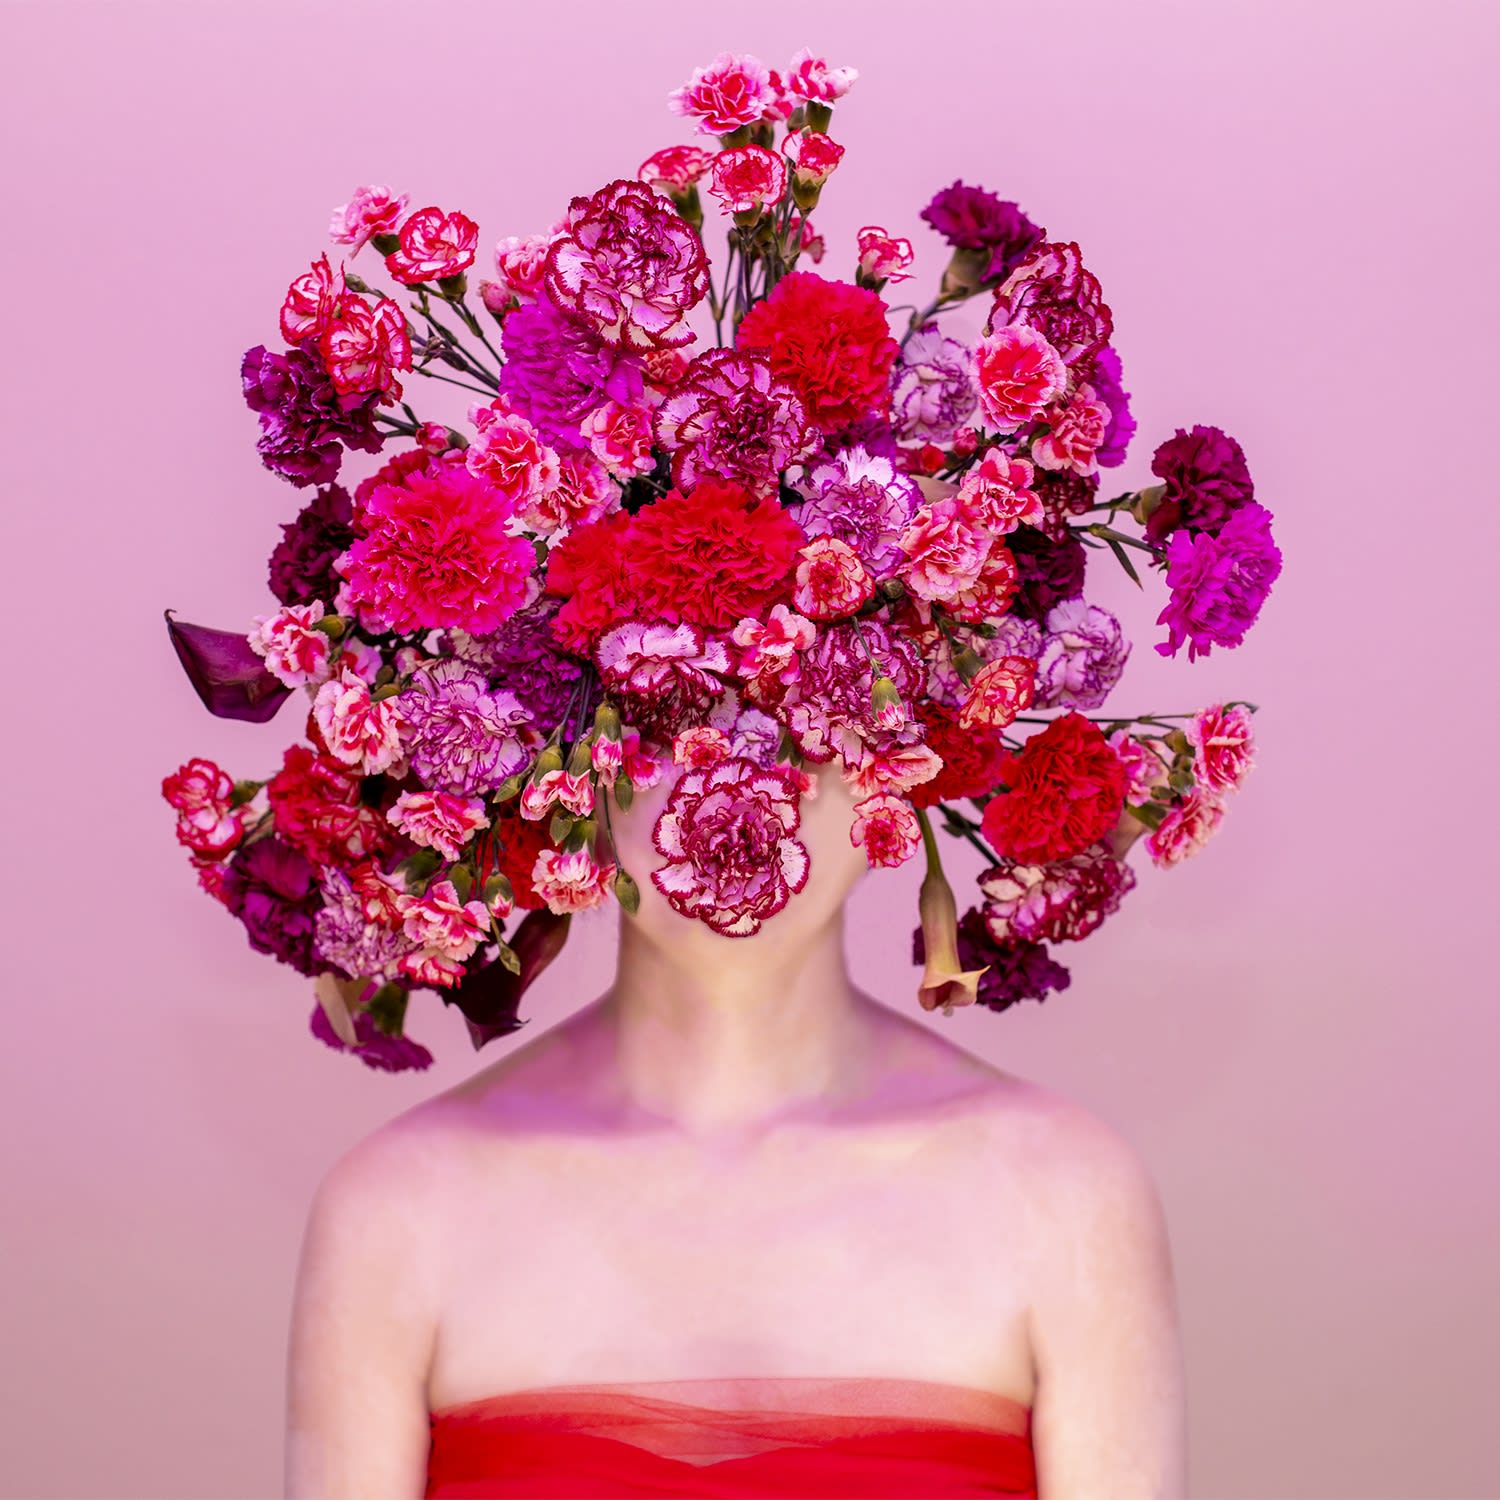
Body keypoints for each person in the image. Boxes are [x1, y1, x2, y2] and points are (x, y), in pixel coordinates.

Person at [284, 754, 1188, 1498]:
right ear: (559, 765)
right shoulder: (400, 1211)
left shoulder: (1061, 1198)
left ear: (907, 751)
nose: (735, 789)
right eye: (671, 710)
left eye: (797, 712)